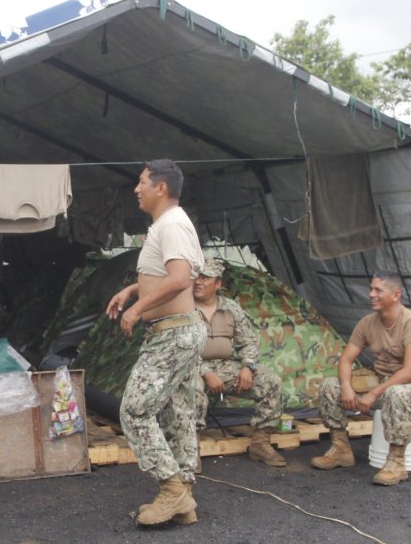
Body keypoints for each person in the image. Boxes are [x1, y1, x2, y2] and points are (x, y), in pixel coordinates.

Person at [106, 159, 206, 526]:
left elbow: (180, 279)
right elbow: (166, 273)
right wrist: (133, 289)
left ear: (160, 188)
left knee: (134, 410)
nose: (137, 188)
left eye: (142, 182)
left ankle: (172, 490)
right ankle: (186, 498)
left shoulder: (174, 223)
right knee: (178, 414)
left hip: (173, 333)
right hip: (177, 329)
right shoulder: (167, 224)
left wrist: (138, 309)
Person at [311, 272, 411, 486]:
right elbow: (345, 360)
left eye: (378, 290)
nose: (371, 294)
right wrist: (346, 387)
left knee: (396, 392)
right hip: (383, 383)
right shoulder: (367, 323)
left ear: (396, 295)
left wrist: (374, 393)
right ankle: (341, 448)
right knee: (329, 385)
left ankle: (397, 462)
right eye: (371, 289)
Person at [192, 258, 287, 467]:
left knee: (271, 382)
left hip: (226, 366)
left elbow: (249, 342)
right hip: (191, 368)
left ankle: (260, 443)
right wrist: (206, 372)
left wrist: (248, 366)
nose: (197, 282)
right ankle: (190, 449)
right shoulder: (184, 308)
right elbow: (180, 349)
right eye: (195, 276)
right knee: (192, 390)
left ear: (217, 284)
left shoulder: (230, 308)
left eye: (205, 277)